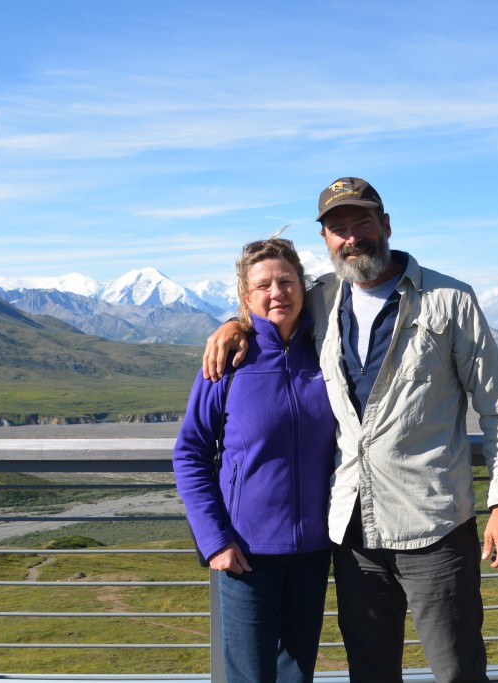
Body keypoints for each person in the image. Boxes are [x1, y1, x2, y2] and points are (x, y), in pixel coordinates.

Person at [203, 177, 498, 683]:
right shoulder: (322, 298)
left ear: (387, 225)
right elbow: (271, 304)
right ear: (327, 242)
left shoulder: (449, 300)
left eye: (362, 223)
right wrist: (234, 325)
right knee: (371, 672)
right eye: (338, 229)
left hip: (434, 527)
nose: (351, 237)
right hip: (354, 534)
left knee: (458, 669)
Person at [173, 235, 336, 683]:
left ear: (303, 286)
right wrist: (215, 540)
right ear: (246, 297)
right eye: (262, 285)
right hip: (245, 551)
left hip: (315, 550)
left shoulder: (329, 350)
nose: (276, 292)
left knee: (297, 674)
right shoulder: (228, 360)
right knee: (249, 676)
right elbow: (190, 453)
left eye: (285, 281)